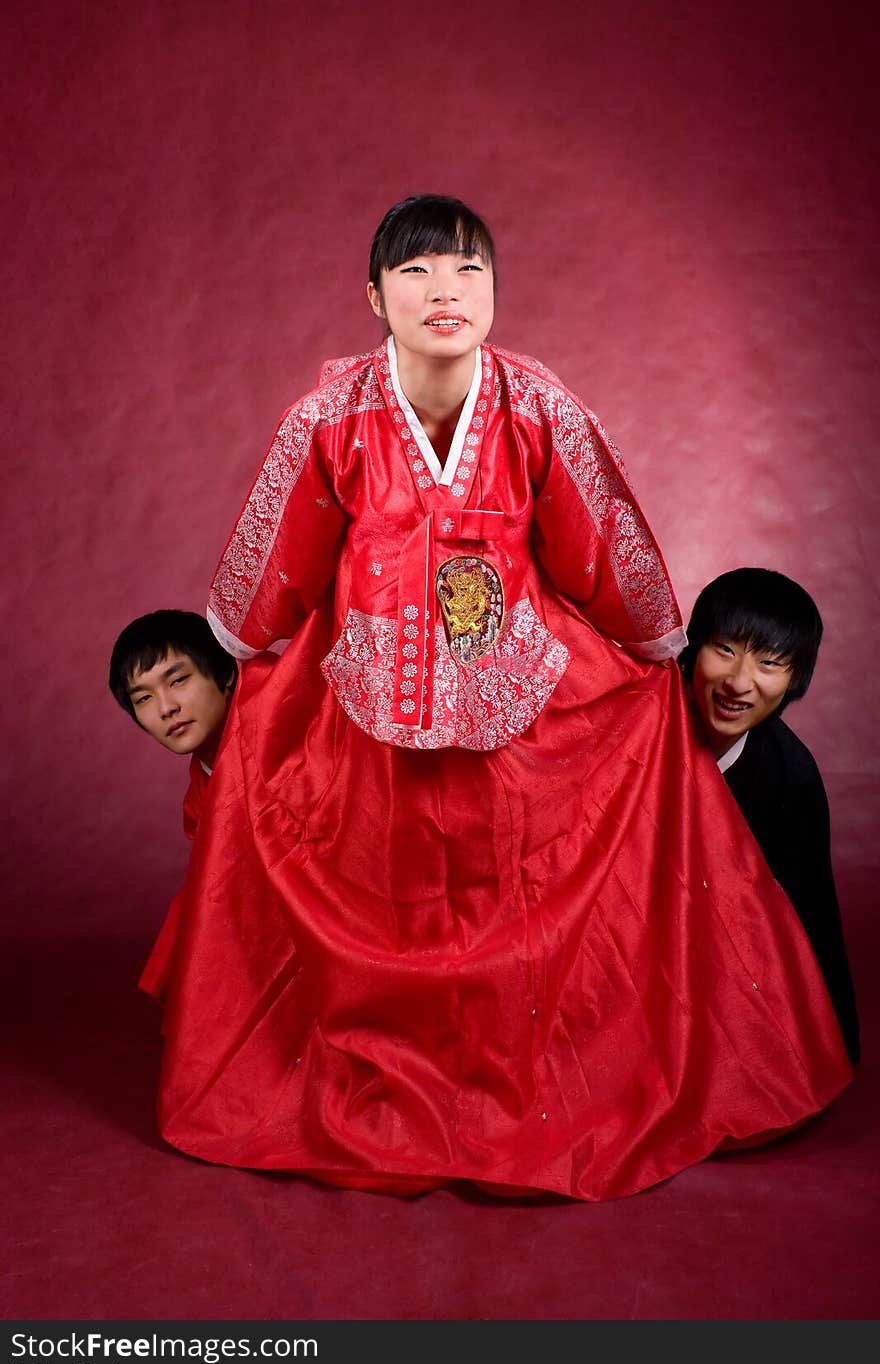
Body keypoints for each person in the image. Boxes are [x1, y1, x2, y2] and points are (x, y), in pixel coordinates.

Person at [155, 194, 851, 1200]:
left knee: (512, 885)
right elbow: (287, 553)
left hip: (516, 687)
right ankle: (382, 1072)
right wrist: (239, 648)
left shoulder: (537, 405)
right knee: (362, 861)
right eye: (417, 272)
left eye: (468, 270)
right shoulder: (327, 415)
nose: (446, 292)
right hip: (367, 699)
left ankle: (525, 1074)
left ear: (495, 290)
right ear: (373, 296)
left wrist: (656, 646)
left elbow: (593, 540)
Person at [679, 568, 860, 1062]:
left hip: (709, 957)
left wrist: (830, 1041)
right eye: (725, 649)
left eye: (770, 663)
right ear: (692, 649)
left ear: (794, 680)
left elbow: (807, 914)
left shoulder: (792, 778)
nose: (739, 681)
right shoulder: (643, 716)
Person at [109, 610, 238, 999]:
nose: (166, 708)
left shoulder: (280, 726)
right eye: (144, 698)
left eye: (178, 680)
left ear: (226, 673)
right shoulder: (201, 790)